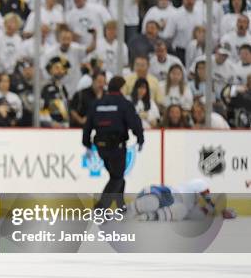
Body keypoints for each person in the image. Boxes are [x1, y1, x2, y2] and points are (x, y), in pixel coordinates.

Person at [83, 76, 144, 210]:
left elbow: (87, 126)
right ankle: (101, 208)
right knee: (117, 178)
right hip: (117, 147)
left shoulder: (97, 104)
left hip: (101, 147)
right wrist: (140, 138)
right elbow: (134, 123)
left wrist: (86, 143)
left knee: (117, 176)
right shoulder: (124, 104)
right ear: (121, 88)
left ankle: (120, 206)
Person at [125, 179, 229, 221]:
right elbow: (207, 197)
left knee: (181, 211)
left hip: (162, 202)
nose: (207, 195)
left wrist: (219, 213)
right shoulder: (186, 192)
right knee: (154, 202)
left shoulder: (190, 207)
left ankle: (146, 216)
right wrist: (214, 207)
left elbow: (201, 214)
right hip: (157, 193)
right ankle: (125, 211)